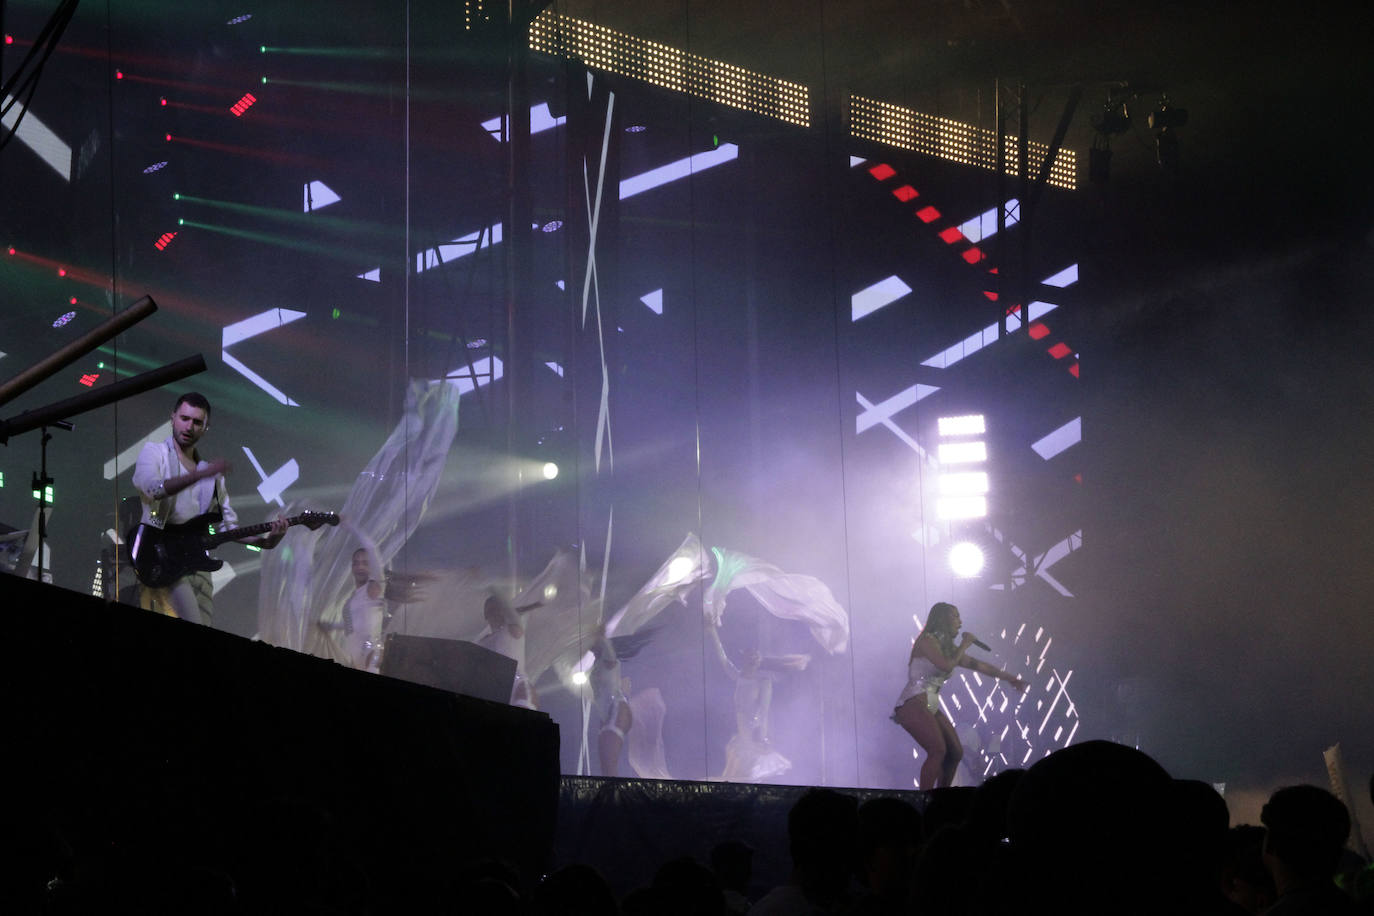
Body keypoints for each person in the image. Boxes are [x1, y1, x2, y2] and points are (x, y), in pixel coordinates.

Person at [130, 392, 286, 625]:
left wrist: (266, 542)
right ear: (173, 418)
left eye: (197, 422)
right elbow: (153, 489)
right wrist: (201, 474)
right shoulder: (155, 453)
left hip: (197, 563)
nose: (189, 426)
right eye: (184, 418)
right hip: (158, 555)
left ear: (205, 428)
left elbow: (229, 526)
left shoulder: (211, 476)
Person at [892, 601, 1026, 788]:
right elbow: (945, 665)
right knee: (937, 749)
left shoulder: (947, 649)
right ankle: (924, 797)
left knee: (955, 752)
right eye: (955, 616)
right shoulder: (926, 641)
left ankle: (942, 795)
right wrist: (964, 644)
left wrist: (1010, 678)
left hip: (930, 703)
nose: (960, 622)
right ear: (942, 619)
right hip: (913, 701)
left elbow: (980, 666)